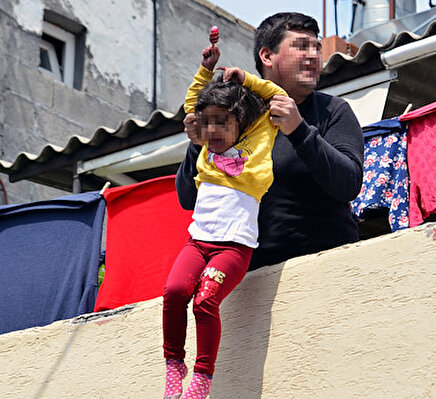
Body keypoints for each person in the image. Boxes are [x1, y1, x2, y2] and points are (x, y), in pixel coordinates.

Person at [177, 12, 364, 269]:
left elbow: (349, 184)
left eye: (316, 48)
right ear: (267, 56)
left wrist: (299, 130)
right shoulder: (235, 115)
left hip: (327, 267)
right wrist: (199, 143)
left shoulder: (334, 110)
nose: (313, 55)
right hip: (248, 280)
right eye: (301, 46)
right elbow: (188, 197)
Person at [162, 36, 287, 399]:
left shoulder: (259, 139)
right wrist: (206, 68)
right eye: (207, 123)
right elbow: (192, 103)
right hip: (197, 242)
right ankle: (174, 366)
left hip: (233, 248)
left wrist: (244, 78)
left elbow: (279, 96)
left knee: (204, 301)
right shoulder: (203, 148)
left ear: (241, 122)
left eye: (222, 122)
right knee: (173, 292)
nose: (213, 131)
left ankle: (202, 378)